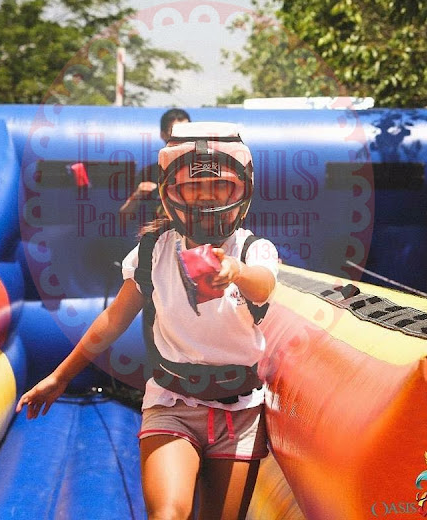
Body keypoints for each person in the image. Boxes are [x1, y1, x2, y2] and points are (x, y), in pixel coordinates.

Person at [16, 121, 279, 520]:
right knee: (167, 514)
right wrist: (60, 376)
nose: (206, 197)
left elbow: (263, 286)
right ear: (172, 192)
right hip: (173, 403)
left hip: (240, 411)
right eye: (194, 187)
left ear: (241, 191)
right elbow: (113, 320)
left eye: (219, 186)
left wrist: (236, 271)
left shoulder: (252, 249)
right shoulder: (153, 250)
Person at [119, 107, 191, 219]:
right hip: (159, 229)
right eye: (175, 133)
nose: (182, 138)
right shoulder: (148, 173)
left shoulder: (201, 170)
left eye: (186, 132)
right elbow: (124, 216)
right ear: (163, 135)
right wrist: (137, 195)